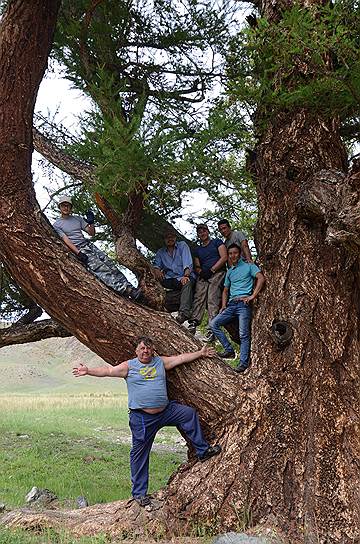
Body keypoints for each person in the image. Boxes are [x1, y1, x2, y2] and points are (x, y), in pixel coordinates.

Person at [73, 336, 222, 508]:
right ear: (136, 351)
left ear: (153, 351)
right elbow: (108, 370)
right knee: (140, 453)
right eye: (142, 348)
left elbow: (180, 358)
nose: (145, 351)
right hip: (142, 418)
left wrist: (201, 353)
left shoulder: (160, 362)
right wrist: (88, 370)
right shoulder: (129, 366)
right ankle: (139, 494)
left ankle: (203, 451)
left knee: (188, 414)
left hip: (166, 411)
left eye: (149, 348)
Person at [53, 195, 142, 301]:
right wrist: (78, 253)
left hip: (88, 245)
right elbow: (65, 240)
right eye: (63, 205)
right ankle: (126, 290)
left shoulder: (77, 219)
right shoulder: (57, 225)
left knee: (110, 265)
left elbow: (92, 233)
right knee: (100, 269)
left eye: (68, 206)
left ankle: (131, 288)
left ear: (71, 207)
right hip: (80, 249)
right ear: (60, 207)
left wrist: (91, 222)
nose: (65, 208)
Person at [209, 243, 265, 373]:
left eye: (235, 253)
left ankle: (243, 363)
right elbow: (225, 290)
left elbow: (261, 278)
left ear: (239, 254)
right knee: (214, 324)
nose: (232, 256)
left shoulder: (249, 266)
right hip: (231, 304)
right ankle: (229, 350)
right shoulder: (230, 271)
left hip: (243, 304)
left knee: (243, 334)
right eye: (230, 254)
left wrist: (253, 296)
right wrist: (223, 306)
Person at [187, 224, 228, 341]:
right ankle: (194, 322)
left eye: (204, 231)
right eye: (199, 232)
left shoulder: (216, 242)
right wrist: (201, 273)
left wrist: (212, 270)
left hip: (218, 272)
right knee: (199, 295)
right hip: (204, 275)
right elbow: (197, 265)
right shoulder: (198, 249)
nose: (202, 233)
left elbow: (224, 257)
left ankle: (212, 328)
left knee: (212, 296)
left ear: (208, 231)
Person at [153, 230, 195, 324]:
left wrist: (186, 275)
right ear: (164, 240)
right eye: (167, 237)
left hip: (184, 276)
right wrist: (157, 270)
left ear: (175, 238)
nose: (170, 239)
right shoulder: (161, 252)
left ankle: (184, 313)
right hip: (170, 279)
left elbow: (187, 262)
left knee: (187, 283)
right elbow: (156, 265)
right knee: (154, 282)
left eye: (172, 236)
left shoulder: (182, 245)